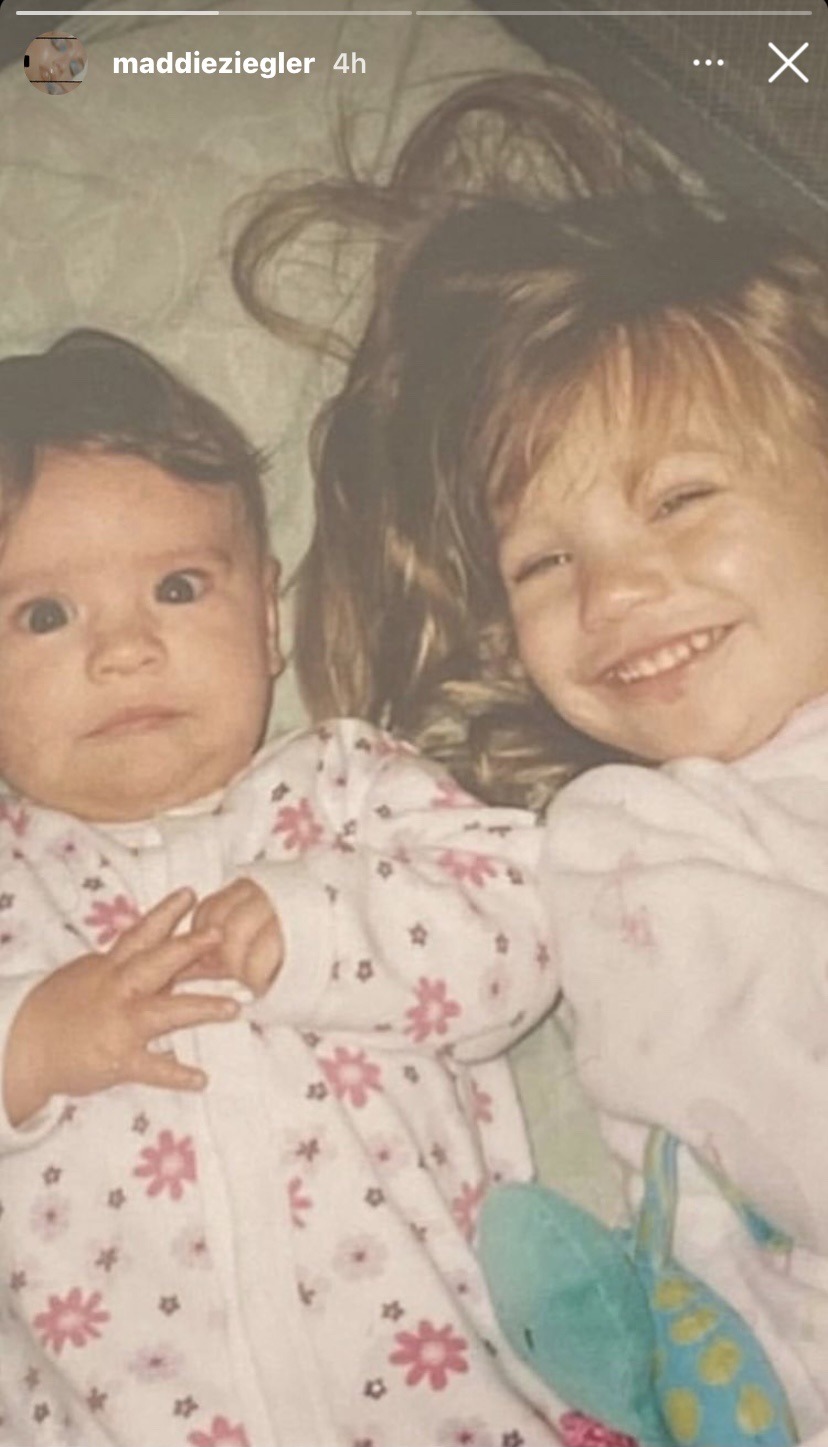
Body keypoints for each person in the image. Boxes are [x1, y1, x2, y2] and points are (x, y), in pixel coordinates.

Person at [232, 78, 828, 1440]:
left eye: (680, 498)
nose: (613, 591)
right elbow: (773, 1103)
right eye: (546, 563)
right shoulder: (628, 844)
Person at [0, 328, 573, 1447]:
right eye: (44, 614)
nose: (124, 650)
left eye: (177, 588)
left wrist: (324, 924)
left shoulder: (346, 788)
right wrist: (31, 1039)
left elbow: (525, 928)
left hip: (440, 1400)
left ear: (266, 616)